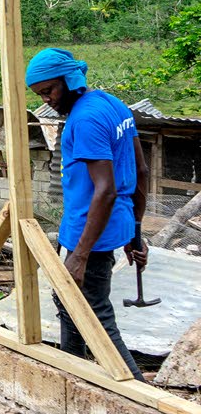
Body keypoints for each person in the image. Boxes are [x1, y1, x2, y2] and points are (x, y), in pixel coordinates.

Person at [26, 47, 147, 377]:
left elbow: (105, 190)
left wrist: (79, 255)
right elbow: (141, 170)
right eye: (40, 94)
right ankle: (73, 371)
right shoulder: (112, 104)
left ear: (70, 79)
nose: (47, 99)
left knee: (95, 315)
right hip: (110, 226)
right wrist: (135, 232)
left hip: (89, 234)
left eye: (49, 90)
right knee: (69, 305)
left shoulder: (85, 119)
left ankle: (138, 393)